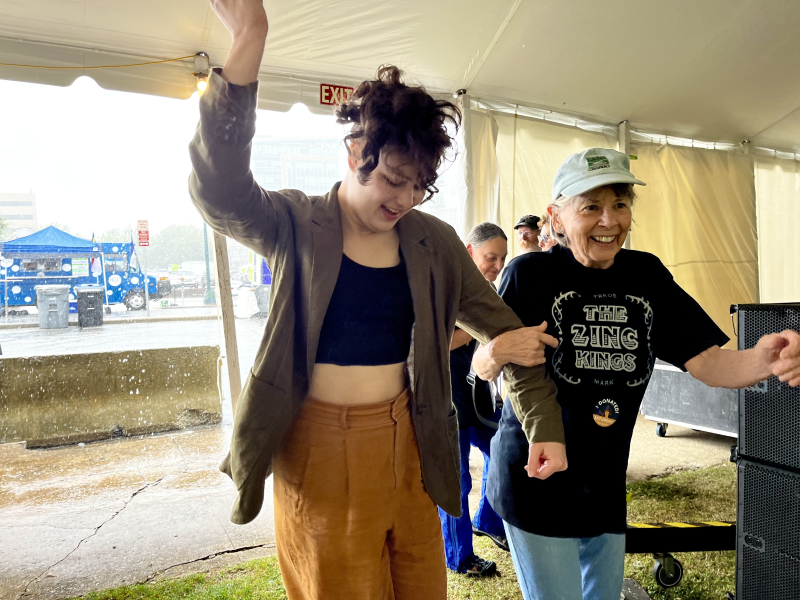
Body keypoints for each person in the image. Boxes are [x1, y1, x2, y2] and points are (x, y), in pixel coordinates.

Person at [188, 1, 567, 598]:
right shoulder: (294, 222)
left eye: (419, 185)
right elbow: (219, 186)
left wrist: (543, 423)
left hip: (415, 443)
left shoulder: (433, 241)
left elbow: (509, 334)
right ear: (354, 152)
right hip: (319, 448)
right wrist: (249, 39)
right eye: (392, 179)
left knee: (420, 585)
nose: (405, 199)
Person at [474, 148, 800, 600]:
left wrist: (766, 357)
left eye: (621, 204)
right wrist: (493, 350)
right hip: (537, 482)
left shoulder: (645, 275)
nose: (610, 221)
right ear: (557, 216)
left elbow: (706, 362)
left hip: (604, 485)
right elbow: (484, 365)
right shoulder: (528, 274)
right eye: (591, 207)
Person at [441, 222, 509, 577]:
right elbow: (434, 344)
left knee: (504, 452)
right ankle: (460, 556)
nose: (496, 265)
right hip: (446, 402)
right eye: (490, 257)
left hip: (479, 399)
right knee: (457, 480)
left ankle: (488, 519)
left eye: (502, 258)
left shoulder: (491, 292)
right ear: (470, 252)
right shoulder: (447, 287)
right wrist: (478, 328)